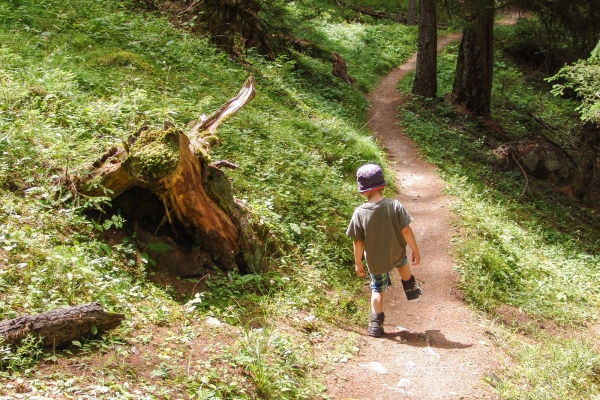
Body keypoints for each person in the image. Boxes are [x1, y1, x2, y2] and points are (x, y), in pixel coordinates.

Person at [346, 163, 422, 337]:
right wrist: (415, 250)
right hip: (395, 251)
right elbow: (406, 230)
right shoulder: (394, 205)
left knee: (377, 289)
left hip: (375, 260)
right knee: (402, 261)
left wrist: (358, 262)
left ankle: (375, 325)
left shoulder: (359, 212)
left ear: (363, 190)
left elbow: (357, 241)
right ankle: (410, 288)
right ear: (382, 185)